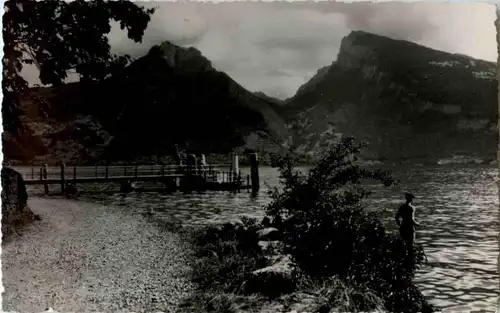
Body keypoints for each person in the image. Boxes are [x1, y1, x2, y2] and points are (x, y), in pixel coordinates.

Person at [395, 192, 420, 257]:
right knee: (410, 247)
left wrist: (399, 225)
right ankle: (410, 261)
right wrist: (418, 224)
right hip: (410, 229)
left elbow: (397, 217)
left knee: (403, 245)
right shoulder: (412, 208)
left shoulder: (402, 207)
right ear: (412, 199)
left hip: (403, 228)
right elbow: (411, 220)